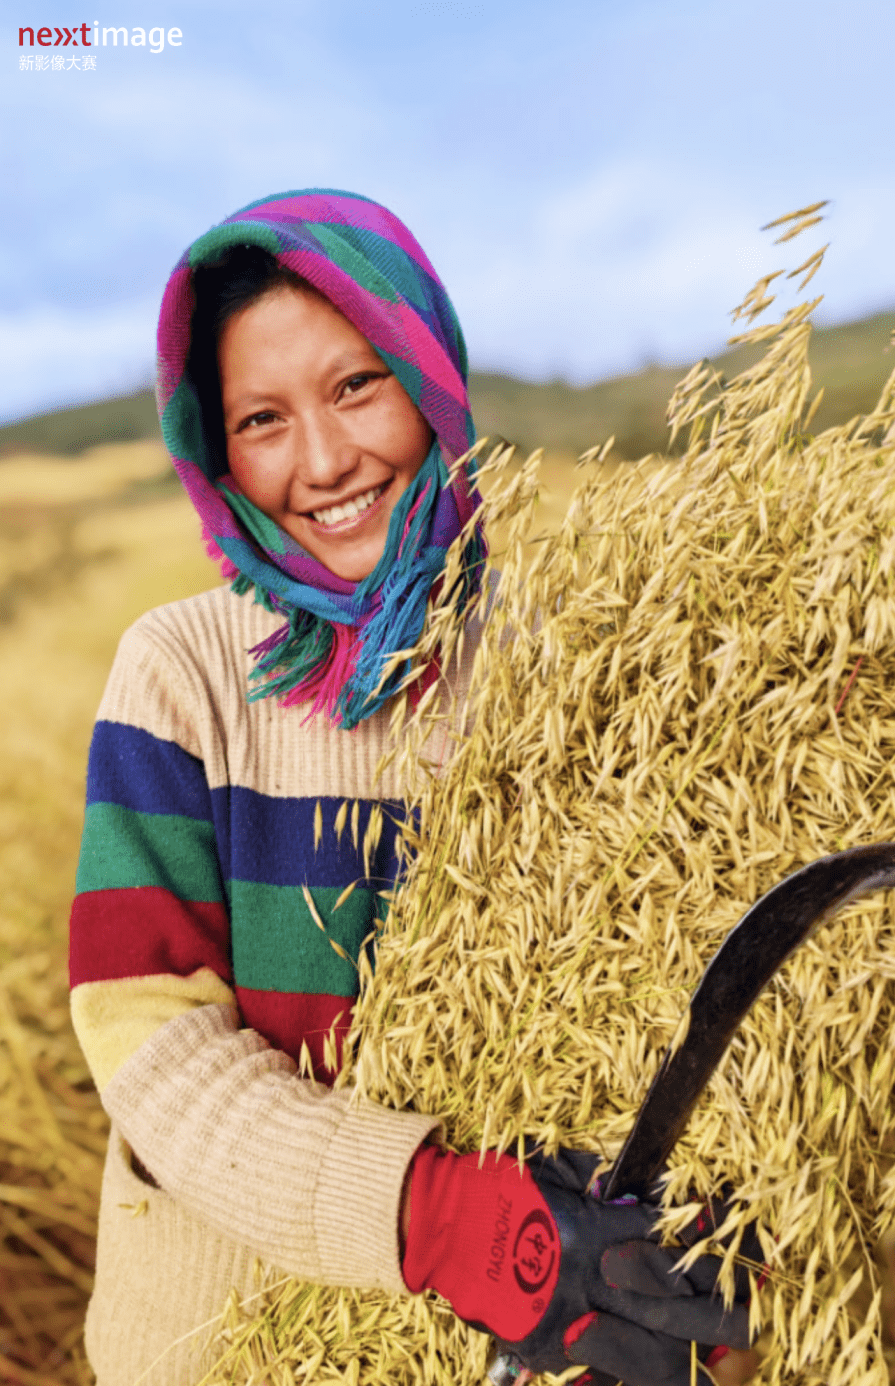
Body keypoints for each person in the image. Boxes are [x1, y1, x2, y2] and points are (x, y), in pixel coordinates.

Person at [69, 189, 760, 1385]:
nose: (324, 462)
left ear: (430, 378)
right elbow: (150, 1046)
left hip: (515, 1348)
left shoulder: (571, 659)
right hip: (228, 1344)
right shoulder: (177, 674)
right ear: (214, 447)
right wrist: (433, 1215)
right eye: (261, 419)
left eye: (355, 387)